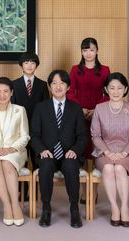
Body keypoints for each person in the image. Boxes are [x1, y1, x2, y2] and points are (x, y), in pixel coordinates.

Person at [31, 70, 87, 228]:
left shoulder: (76, 108)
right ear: (49, 86)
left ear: (68, 87)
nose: (58, 86)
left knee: (70, 165)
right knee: (46, 165)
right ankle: (46, 209)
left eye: (62, 83)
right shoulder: (41, 107)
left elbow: (83, 136)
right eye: (54, 83)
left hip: (69, 153)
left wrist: (75, 150)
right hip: (47, 153)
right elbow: (34, 135)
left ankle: (74, 209)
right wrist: (42, 150)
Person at [90, 72, 129, 227]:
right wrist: (107, 152)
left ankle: (124, 207)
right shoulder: (99, 108)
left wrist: (124, 153)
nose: (115, 91)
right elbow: (95, 135)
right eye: (112, 88)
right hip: (104, 152)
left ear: (125, 89)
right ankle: (114, 208)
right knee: (108, 168)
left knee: (119, 168)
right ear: (106, 89)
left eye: (119, 88)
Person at [0, 77, 30, 226]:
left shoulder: (19, 110)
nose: (2, 95)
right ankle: (7, 205)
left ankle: (15, 204)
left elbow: (25, 135)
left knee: (7, 165)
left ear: (11, 93)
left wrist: (11, 149)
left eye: (6, 91)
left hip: (15, 151)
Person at [68, 37, 110, 203]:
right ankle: (85, 191)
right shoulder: (75, 70)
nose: (88, 53)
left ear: (97, 51)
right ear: (82, 52)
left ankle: (95, 191)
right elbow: (70, 93)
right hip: (79, 115)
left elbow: (107, 93)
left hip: (99, 115)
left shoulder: (105, 70)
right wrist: (82, 109)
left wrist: (96, 110)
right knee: (84, 155)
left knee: (96, 153)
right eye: (85, 50)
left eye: (91, 50)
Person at [11, 52, 49, 199]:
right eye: (26, 62)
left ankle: (37, 192)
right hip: (19, 130)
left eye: (32, 63)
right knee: (21, 162)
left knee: (38, 161)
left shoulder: (43, 85)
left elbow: (46, 110)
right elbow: (12, 109)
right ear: (21, 65)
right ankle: (23, 191)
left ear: (36, 65)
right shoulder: (13, 85)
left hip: (37, 131)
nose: (29, 65)